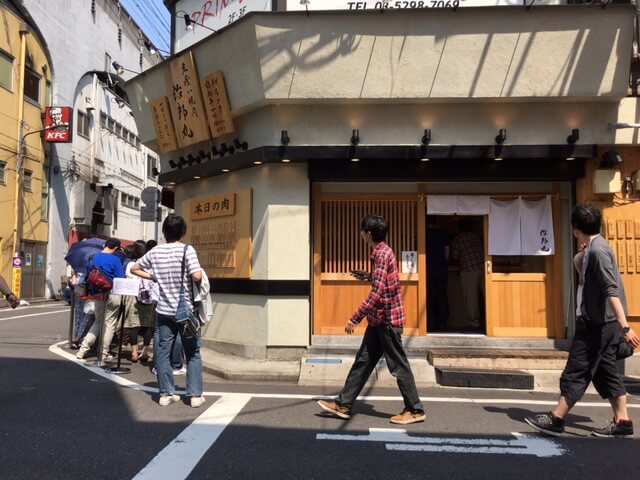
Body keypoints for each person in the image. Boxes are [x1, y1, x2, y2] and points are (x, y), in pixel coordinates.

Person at [525, 204, 640, 438]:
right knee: (606, 371)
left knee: (577, 369)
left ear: (576, 228)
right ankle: (623, 421)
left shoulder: (598, 252)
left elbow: (611, 290)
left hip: (597, 324)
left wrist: (625, 326)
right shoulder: (594, 249)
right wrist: (580, 255)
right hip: (602, 323)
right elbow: (582, 273)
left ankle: (556, 418)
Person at [317, 215, 425, 425]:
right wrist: (369, 275)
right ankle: (344, 404)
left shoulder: (381, 254)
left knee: (398, 365)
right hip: (379, 321)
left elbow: (377, 293)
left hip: (387, 321)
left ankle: (415, 409)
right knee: (364, 361)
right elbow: (382, 281)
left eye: (362, 230)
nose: (361, 234)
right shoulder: (382, 252)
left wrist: (355, 317)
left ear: (368, 233)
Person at [131, 215, 205, 408]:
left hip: (163, 310)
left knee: (163, 352)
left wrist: (155, 277)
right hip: (185, 311)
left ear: (164, 232)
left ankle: (166, 394)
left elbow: (135, 268)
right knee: (193, 352)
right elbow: (197, 275)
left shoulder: (155, 251)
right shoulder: (187, 250)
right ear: (183, 232)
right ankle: (195, 395)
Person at [76, 238, 125, 361]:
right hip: (113, 294)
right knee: (110, 324)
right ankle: (103, 353)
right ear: (115, 248)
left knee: (98, 322)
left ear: (105, 245)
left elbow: (88, 277)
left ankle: (82, 350)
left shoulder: (93, 258)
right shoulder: (115, 260)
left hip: (97, 294)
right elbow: (121, 279)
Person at [122, 241, 155, 362]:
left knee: (133, 326)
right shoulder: (150, 264)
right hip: (149, 298)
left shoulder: (131, 264)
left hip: (134, 297)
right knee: (147, 326)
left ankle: (134, 353)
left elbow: (128, 279)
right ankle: (145, 352)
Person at [450, 218, 484, 329]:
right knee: (485, 295)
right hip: (484, 268)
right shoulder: (476, 237)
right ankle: (489, 320)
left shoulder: (459, 239)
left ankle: (474, 322)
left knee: (471, 298)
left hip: (470, 270)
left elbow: (454, 256)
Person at [426, 215, 450, 332]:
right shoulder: (443, 234)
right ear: (437, 221)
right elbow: (447, 253)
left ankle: (429, 324)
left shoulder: (423, 234)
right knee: (442, 296)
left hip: (427, 270)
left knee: (429, 297)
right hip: (441, 269)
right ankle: (443, 325)